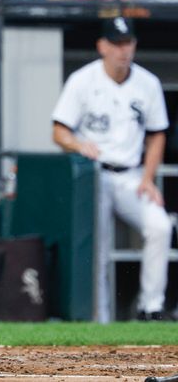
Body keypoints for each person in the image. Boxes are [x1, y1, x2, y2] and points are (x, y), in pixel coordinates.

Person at [51, 17, 173, 322]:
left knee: (160, 226)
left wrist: (148, 177)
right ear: (102, 46)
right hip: (95, 176)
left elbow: (158, 132)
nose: (123, 50)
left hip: (132, 175)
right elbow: (59, 131)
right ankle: (100, 318)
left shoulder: (148, 83)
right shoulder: (83, 80)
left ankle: (151, 307)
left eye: (128, 42)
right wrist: (78, 145)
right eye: (117, 44)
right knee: (99, 247)